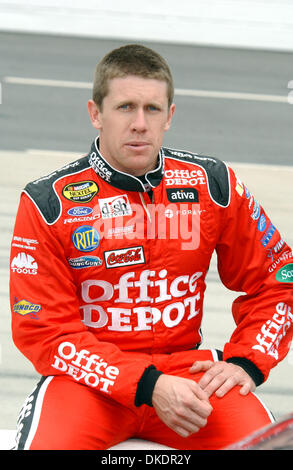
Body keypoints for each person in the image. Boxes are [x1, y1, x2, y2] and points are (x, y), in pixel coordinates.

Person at [10, 44, 293, 451]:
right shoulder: (48, 203)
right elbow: (44, 330)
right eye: (125, 107)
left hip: (190, 376)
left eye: (152, 109)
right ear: (96, 113)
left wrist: (248, 361)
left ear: (170, 117)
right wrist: (146, 384)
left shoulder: (212, 185)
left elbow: (279, 277)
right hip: (88, 381)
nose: (140, 124)